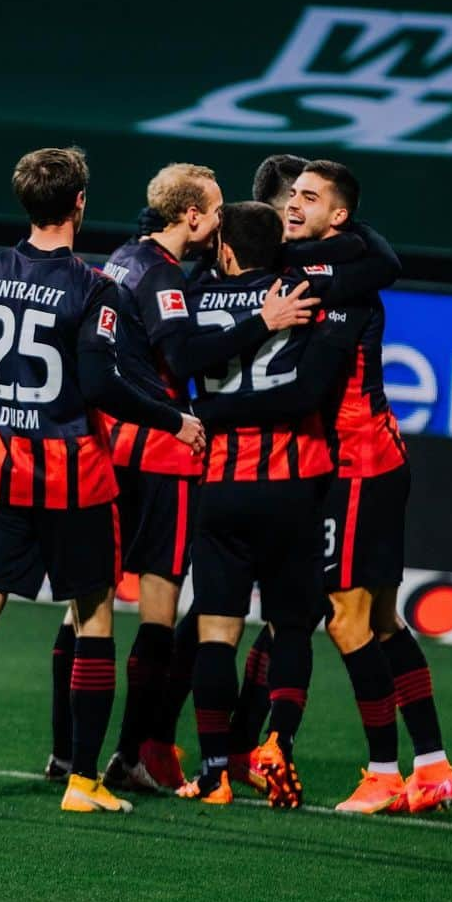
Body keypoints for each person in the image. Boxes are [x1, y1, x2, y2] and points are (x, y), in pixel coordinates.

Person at [0, 147, 205, 815]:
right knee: (93, 619)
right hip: (74, 476)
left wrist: (9, 416)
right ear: (79, 204)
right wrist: (170, 419)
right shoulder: (93, 287)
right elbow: (101, 383)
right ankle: (83, 780)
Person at [48, 164, 315, 792]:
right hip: (163, 448)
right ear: (191, 216)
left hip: (110, 446)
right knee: (158, 616)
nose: (223, 222)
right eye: (218, 210)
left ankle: (65, 752)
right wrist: (263, 321)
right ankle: (131, 753)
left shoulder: (121, 258)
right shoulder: (166, 280)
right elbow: (184, 357)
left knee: (86, 609)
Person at [282, 160, 452, 815]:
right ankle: (435, 767)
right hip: (375, 453)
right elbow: (381, 257)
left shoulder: (329, 277)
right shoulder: (338, 260)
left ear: (339, 216)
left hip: (355, 459)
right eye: (292, 194)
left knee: (346, 619)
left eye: (310, 197)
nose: (294, 204)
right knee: (383, 620)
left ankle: (384, 774)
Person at [178, 202, 352, 807]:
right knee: (291, 629)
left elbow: (177, 363)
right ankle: (276, 742)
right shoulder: (302, 299)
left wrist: (207, 410)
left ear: (225, 249)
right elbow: (308, 390)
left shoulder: (197, 300)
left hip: (220, 487)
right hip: (291, 486)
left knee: (216, 636)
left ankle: (213, 772)